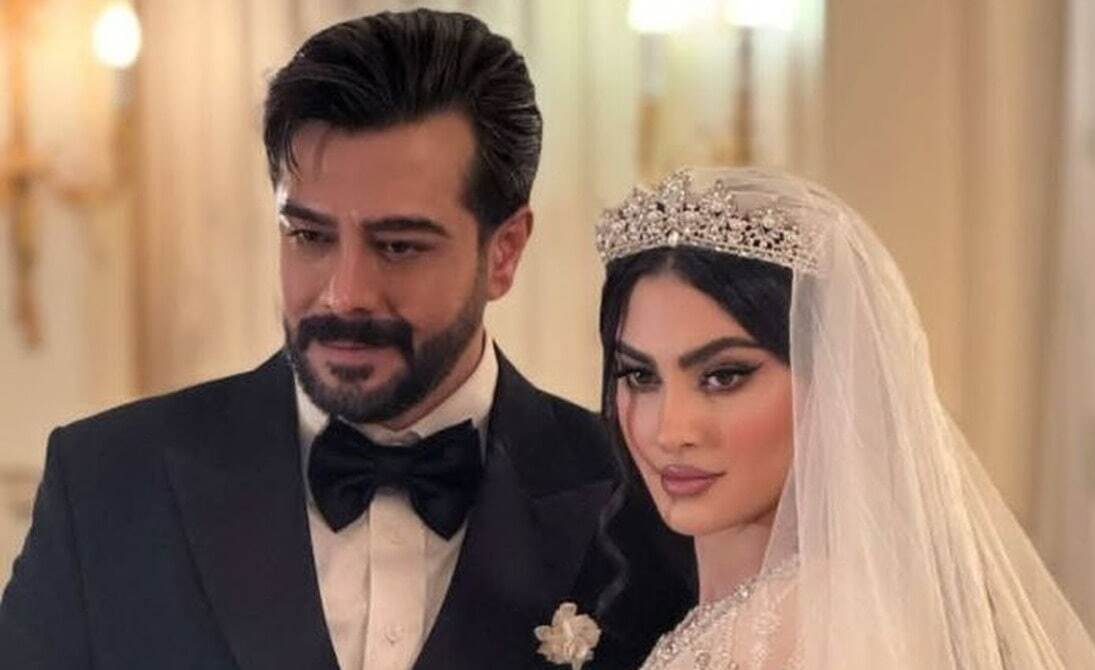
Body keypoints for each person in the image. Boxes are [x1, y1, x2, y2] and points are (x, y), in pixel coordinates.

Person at [0, 10, 691, 670]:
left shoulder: (645, 501)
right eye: (310, 236)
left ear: (504, 252)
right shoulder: (106, 484)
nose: (344, 293)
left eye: (398, 245)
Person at [595, 167, 1095, 669]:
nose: (671, 431)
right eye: (640, 376)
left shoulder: (799, 627)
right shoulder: (824, 608)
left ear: (832, 380)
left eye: (724, 377)